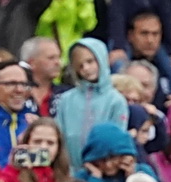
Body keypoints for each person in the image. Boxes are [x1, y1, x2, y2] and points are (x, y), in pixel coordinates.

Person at [53, 38, 126, 171]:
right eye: (80, 65)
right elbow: (58, 133)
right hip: (70, 171)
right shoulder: (66, 99)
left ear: (101, 59)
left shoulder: (116, 100)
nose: (86, 68)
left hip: (103, 171)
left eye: (90, 61)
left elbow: (118, 137)